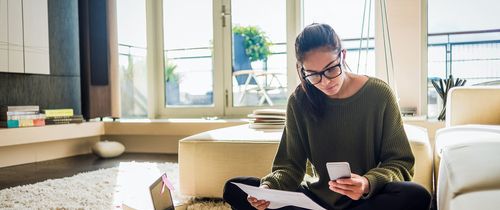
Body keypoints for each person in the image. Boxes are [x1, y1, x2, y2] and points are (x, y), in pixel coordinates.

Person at [223, 23, 431, 210]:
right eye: (313, 74)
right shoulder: (299, 101)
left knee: (416, 195)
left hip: (366, 200)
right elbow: (290, 167)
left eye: (331, 69)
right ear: (301, 70)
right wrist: (269, 188)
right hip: (315, 201)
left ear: (343, 56)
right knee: (234, 189)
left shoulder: (379, 94)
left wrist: (367, 183)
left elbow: (400, 163)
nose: (324, 82)